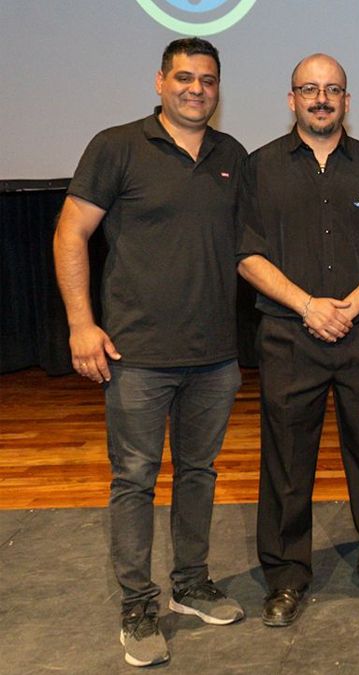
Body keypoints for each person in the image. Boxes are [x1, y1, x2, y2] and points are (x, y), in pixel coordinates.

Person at [53, 37, 246, 667]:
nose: (197, 89)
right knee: (133, 480)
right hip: (136, 355)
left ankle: (190, 584)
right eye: (185, 77)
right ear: (159, 82)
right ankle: (137, 605)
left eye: (208, 80)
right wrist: (82, 324)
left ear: (219, 89)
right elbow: (70, 232)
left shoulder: (231, 155)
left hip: (216, 355)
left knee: (199, 473)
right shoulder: (116, 147)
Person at [236, 53, 359, 626]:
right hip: (290, 338)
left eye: (333, 90)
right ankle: (287, 578)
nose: (322, 99)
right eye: (310, 89)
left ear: (346, 100)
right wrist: (309, 307)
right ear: (291, 99)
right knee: (287, 464)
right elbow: (246, 253)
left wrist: (349, 307)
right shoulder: (259, 167)